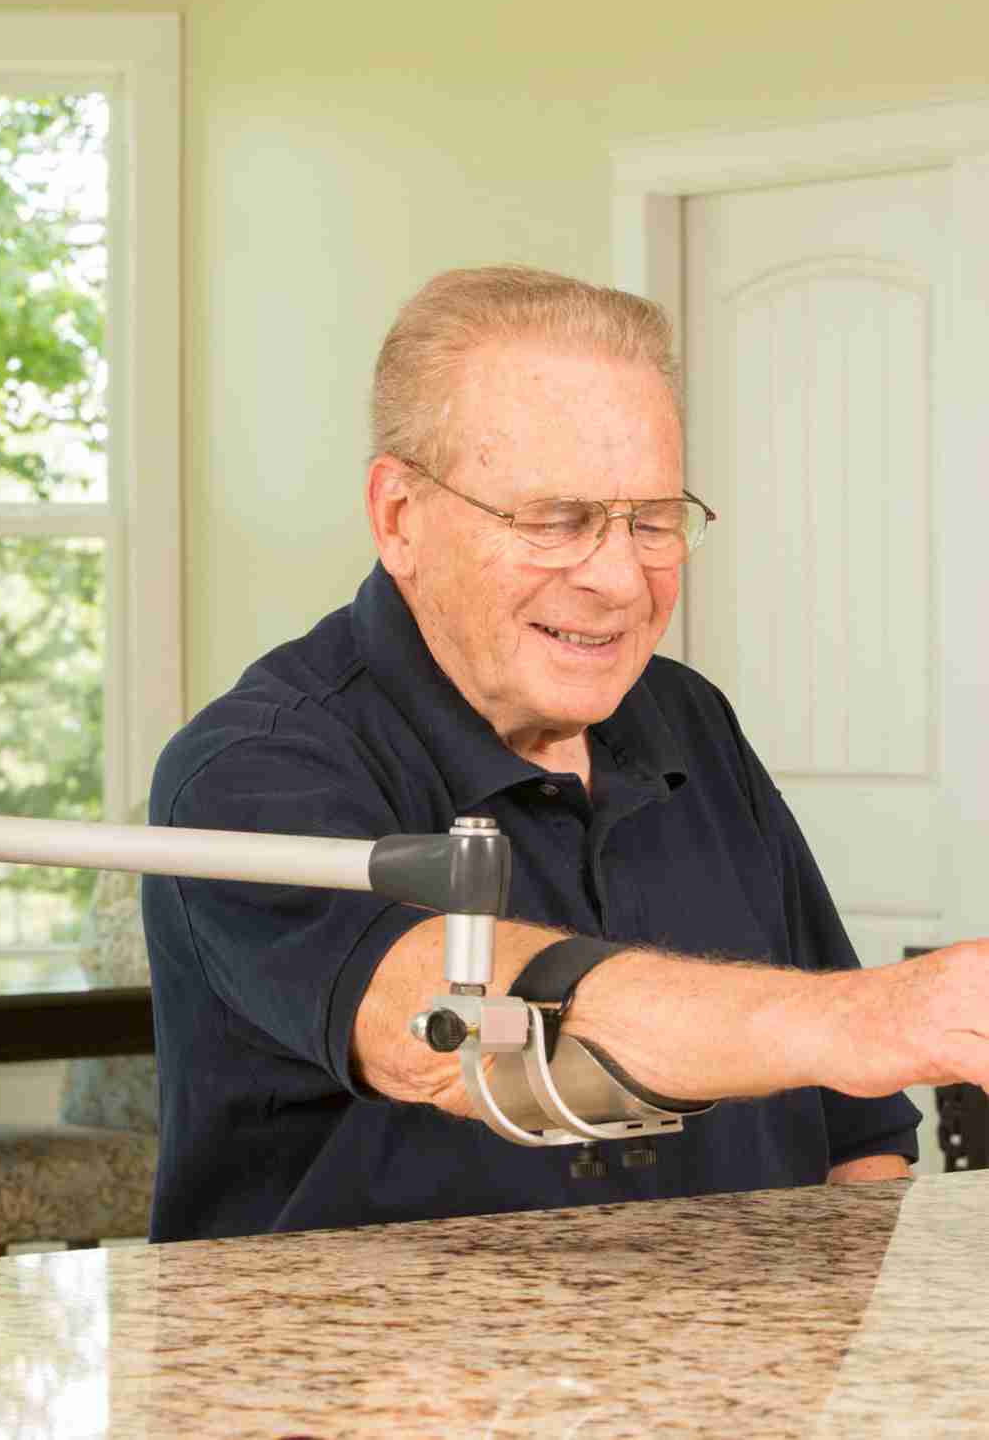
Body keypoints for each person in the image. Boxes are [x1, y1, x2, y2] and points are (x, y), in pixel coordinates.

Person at [142, 265, 985, 1245]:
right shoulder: (249, 768)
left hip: (730, 1382)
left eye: (654, 519)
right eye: (557, 520)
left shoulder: (688, 718)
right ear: (400, 518)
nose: (621, 578)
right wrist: (876, 1017)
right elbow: (442, 1036)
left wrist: (816, 1366)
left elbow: (859, 1133)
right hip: (371, 1382)